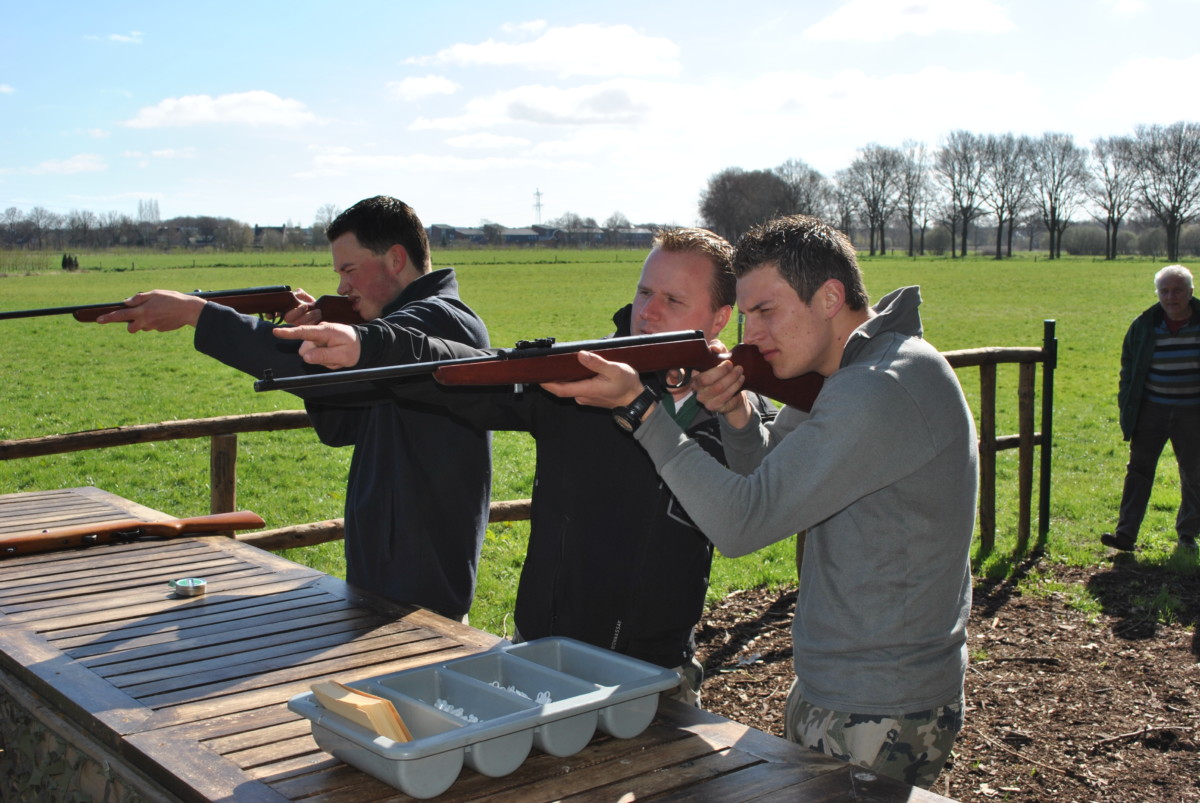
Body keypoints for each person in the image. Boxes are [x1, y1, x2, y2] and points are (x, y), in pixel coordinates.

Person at [540, 214, 976, 789]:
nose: (753, 335)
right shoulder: (850, 371)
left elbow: (743, 524)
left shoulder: (877, 389)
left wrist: (640, 412)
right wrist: (738, 416)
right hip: (847, 685)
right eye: (746, 316)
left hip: (879, 701)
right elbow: (771, 475)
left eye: (767, 312)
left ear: (829, 297)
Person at [277, 227, 776, 704]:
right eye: (645, 292)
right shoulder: (578, 378)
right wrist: (372, 346)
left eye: (673, 300)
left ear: (718, 318)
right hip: (542, 658)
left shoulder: (739, 417)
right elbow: (470, 371)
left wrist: (736, 409)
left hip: (658, 673)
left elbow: (761, 505)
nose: (647, 312)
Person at [95, 196, 491, 620]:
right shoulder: (398, 325)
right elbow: (339, 424)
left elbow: (353, 376)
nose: (342, 287)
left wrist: (200, 314)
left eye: (349, 270)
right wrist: (307, 337)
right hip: (385, 573)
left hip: (423, 584)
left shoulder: (442, 322)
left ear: (396, 259)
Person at [1102, 264, 1200, 554]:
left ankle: (1187, 535)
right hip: (1151, 411)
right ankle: (1125, 535)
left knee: (1194, 474)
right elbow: (1128, 370)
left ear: (1190, 293)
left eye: (1177, 290)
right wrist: (1126, 404)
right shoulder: (1144, 325)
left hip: (1192, 413)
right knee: (1139, 472)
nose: (1171, 297)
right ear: (1158, 294)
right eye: (1165, 291)